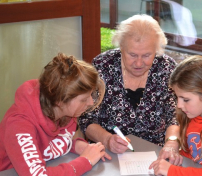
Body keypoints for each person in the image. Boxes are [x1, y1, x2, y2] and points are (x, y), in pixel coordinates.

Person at [0, 53, 111, 176]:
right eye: (84, 99)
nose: (90, 103)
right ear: (60, 101)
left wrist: (76, 146)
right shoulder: (18, 123)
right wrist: (85, 161)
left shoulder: (67, 112)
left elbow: (47, 144)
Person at [78, 14, 182, 165]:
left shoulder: (166, 68)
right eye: (132, 55)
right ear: (121, 47)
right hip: (109, 156)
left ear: (157, 50)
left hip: (155, 156)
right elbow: (86, 118)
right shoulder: (103, 66)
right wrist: (107, 139)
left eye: (147, 55)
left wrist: (172, 143)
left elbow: (175, 116)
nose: (139, 63)